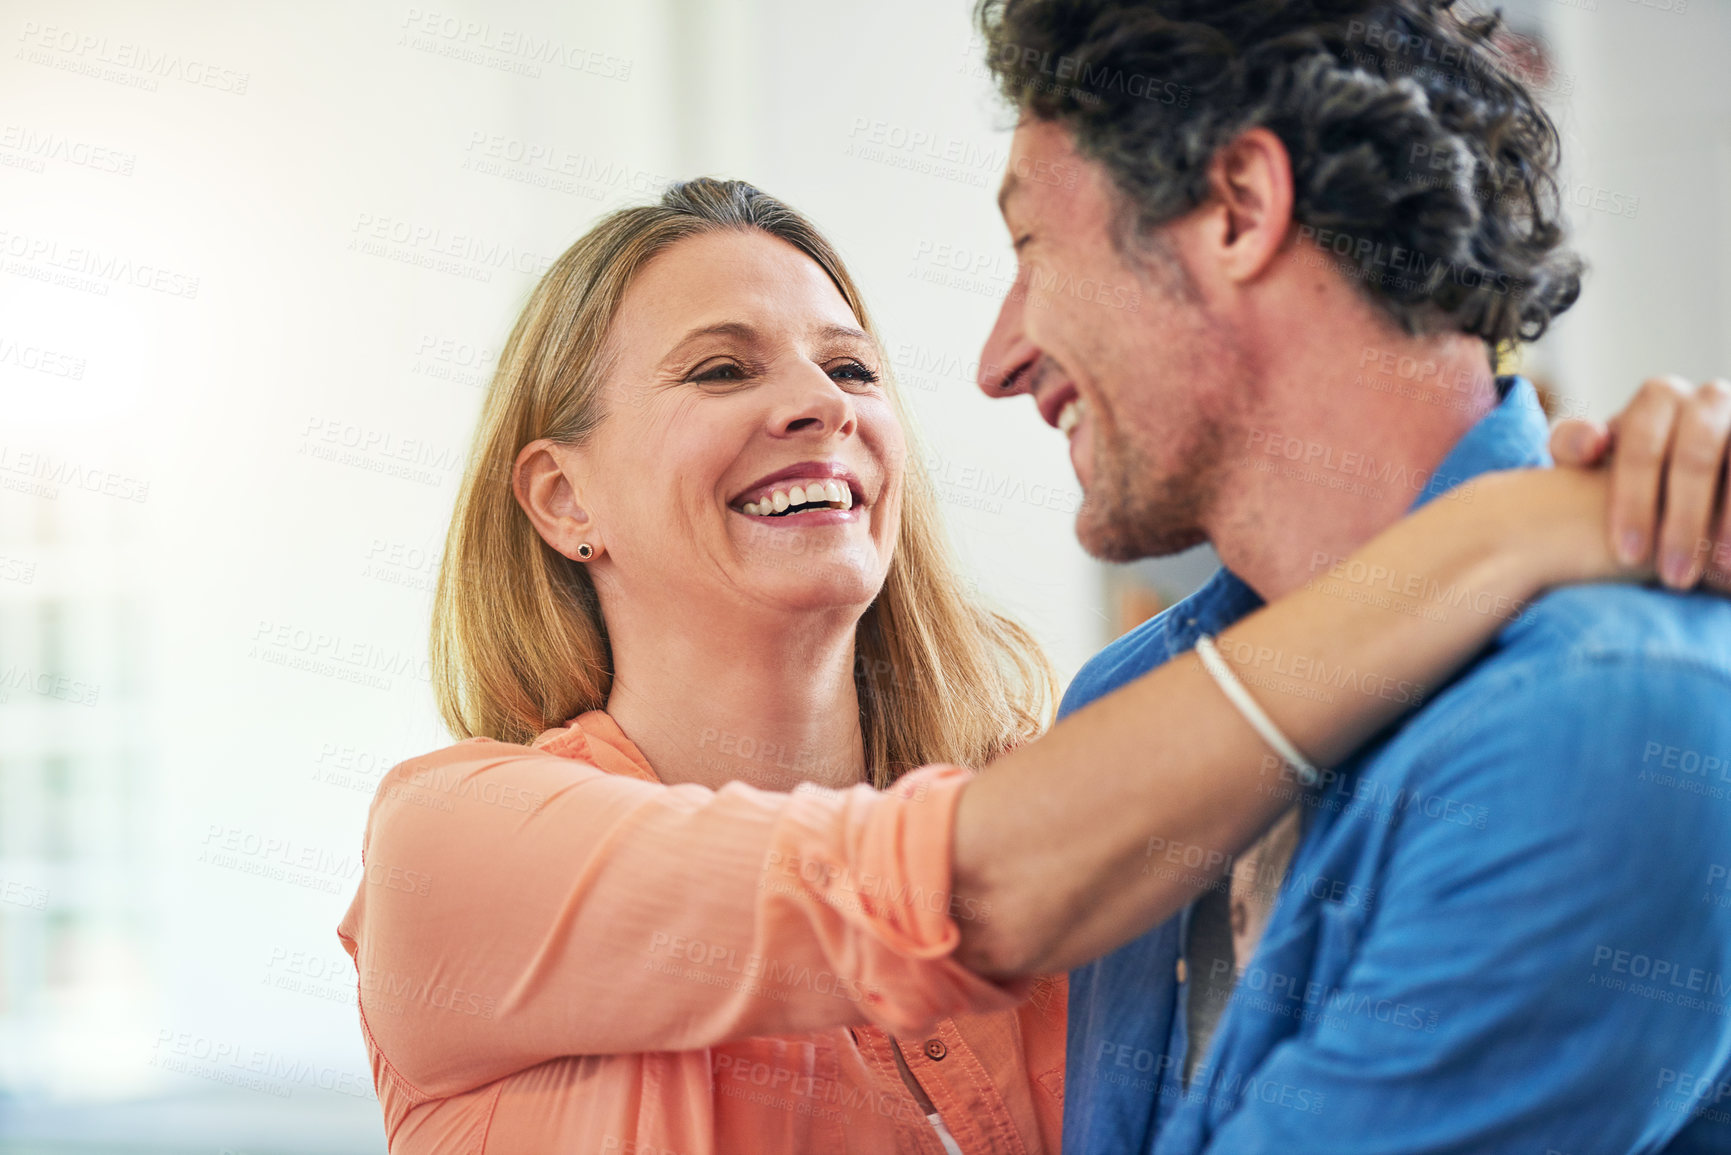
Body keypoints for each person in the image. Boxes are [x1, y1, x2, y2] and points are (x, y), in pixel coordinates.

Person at [336, 173, 1727, 1154]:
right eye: (719, 370)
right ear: (559, 498)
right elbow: (944, 892)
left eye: (852, 369)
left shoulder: (1089, 798)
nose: (817, 403)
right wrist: (1497, 528)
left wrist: (1639, 497)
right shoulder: (451, 851)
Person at [970, 1, 1731, 1151]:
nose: (997, 356)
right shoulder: (1124, 701)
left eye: (1031, 249)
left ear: (1238, 208)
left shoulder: (1615, 709)